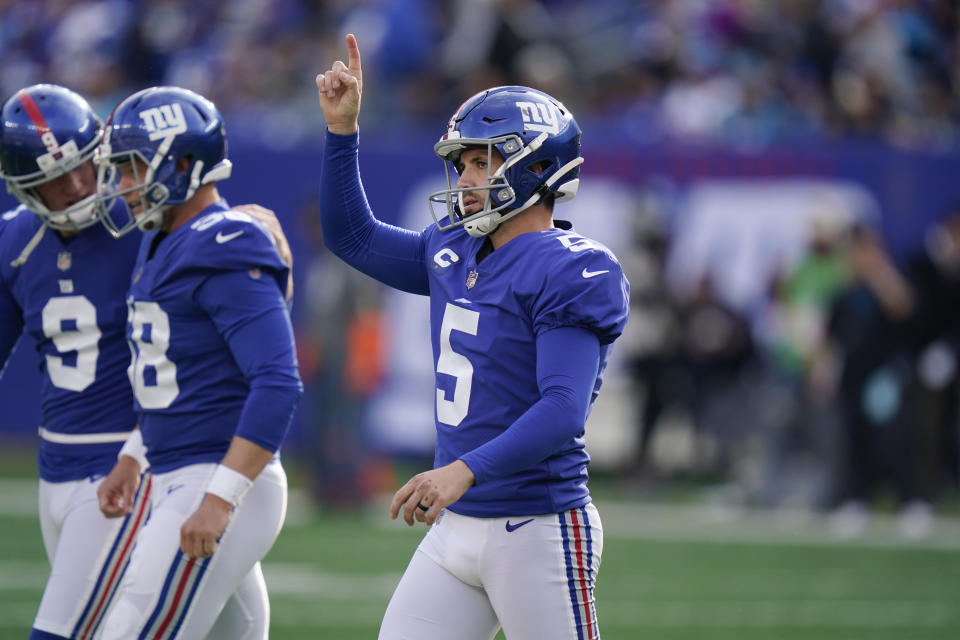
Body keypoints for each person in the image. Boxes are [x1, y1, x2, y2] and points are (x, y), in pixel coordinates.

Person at [317, 34, 630, 639]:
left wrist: (461, 470)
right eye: (460, 163)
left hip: (537, 526)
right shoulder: (454, 249)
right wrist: (341, 132)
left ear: (534, 167)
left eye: (480, 161)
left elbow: (563, 410)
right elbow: (352, 238)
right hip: (456, 528)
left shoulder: (571, 266)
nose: (464, 177)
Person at [92, 86, 302, 639]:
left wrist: (219, 498)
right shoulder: (164, 238)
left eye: (133, 168)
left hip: (216, 478)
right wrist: (135, 455)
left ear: (183, 164)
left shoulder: (224, 241)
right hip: (176, 471)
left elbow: (278, 382)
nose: (123, 185)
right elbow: (183, 377)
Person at [0, 83, 151, 640]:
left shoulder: (145, 221)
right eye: (58, 178)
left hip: (125, 466)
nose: (80, 184)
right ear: (23, 184)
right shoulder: (13, 241)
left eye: (85, 165)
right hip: (53, 468)